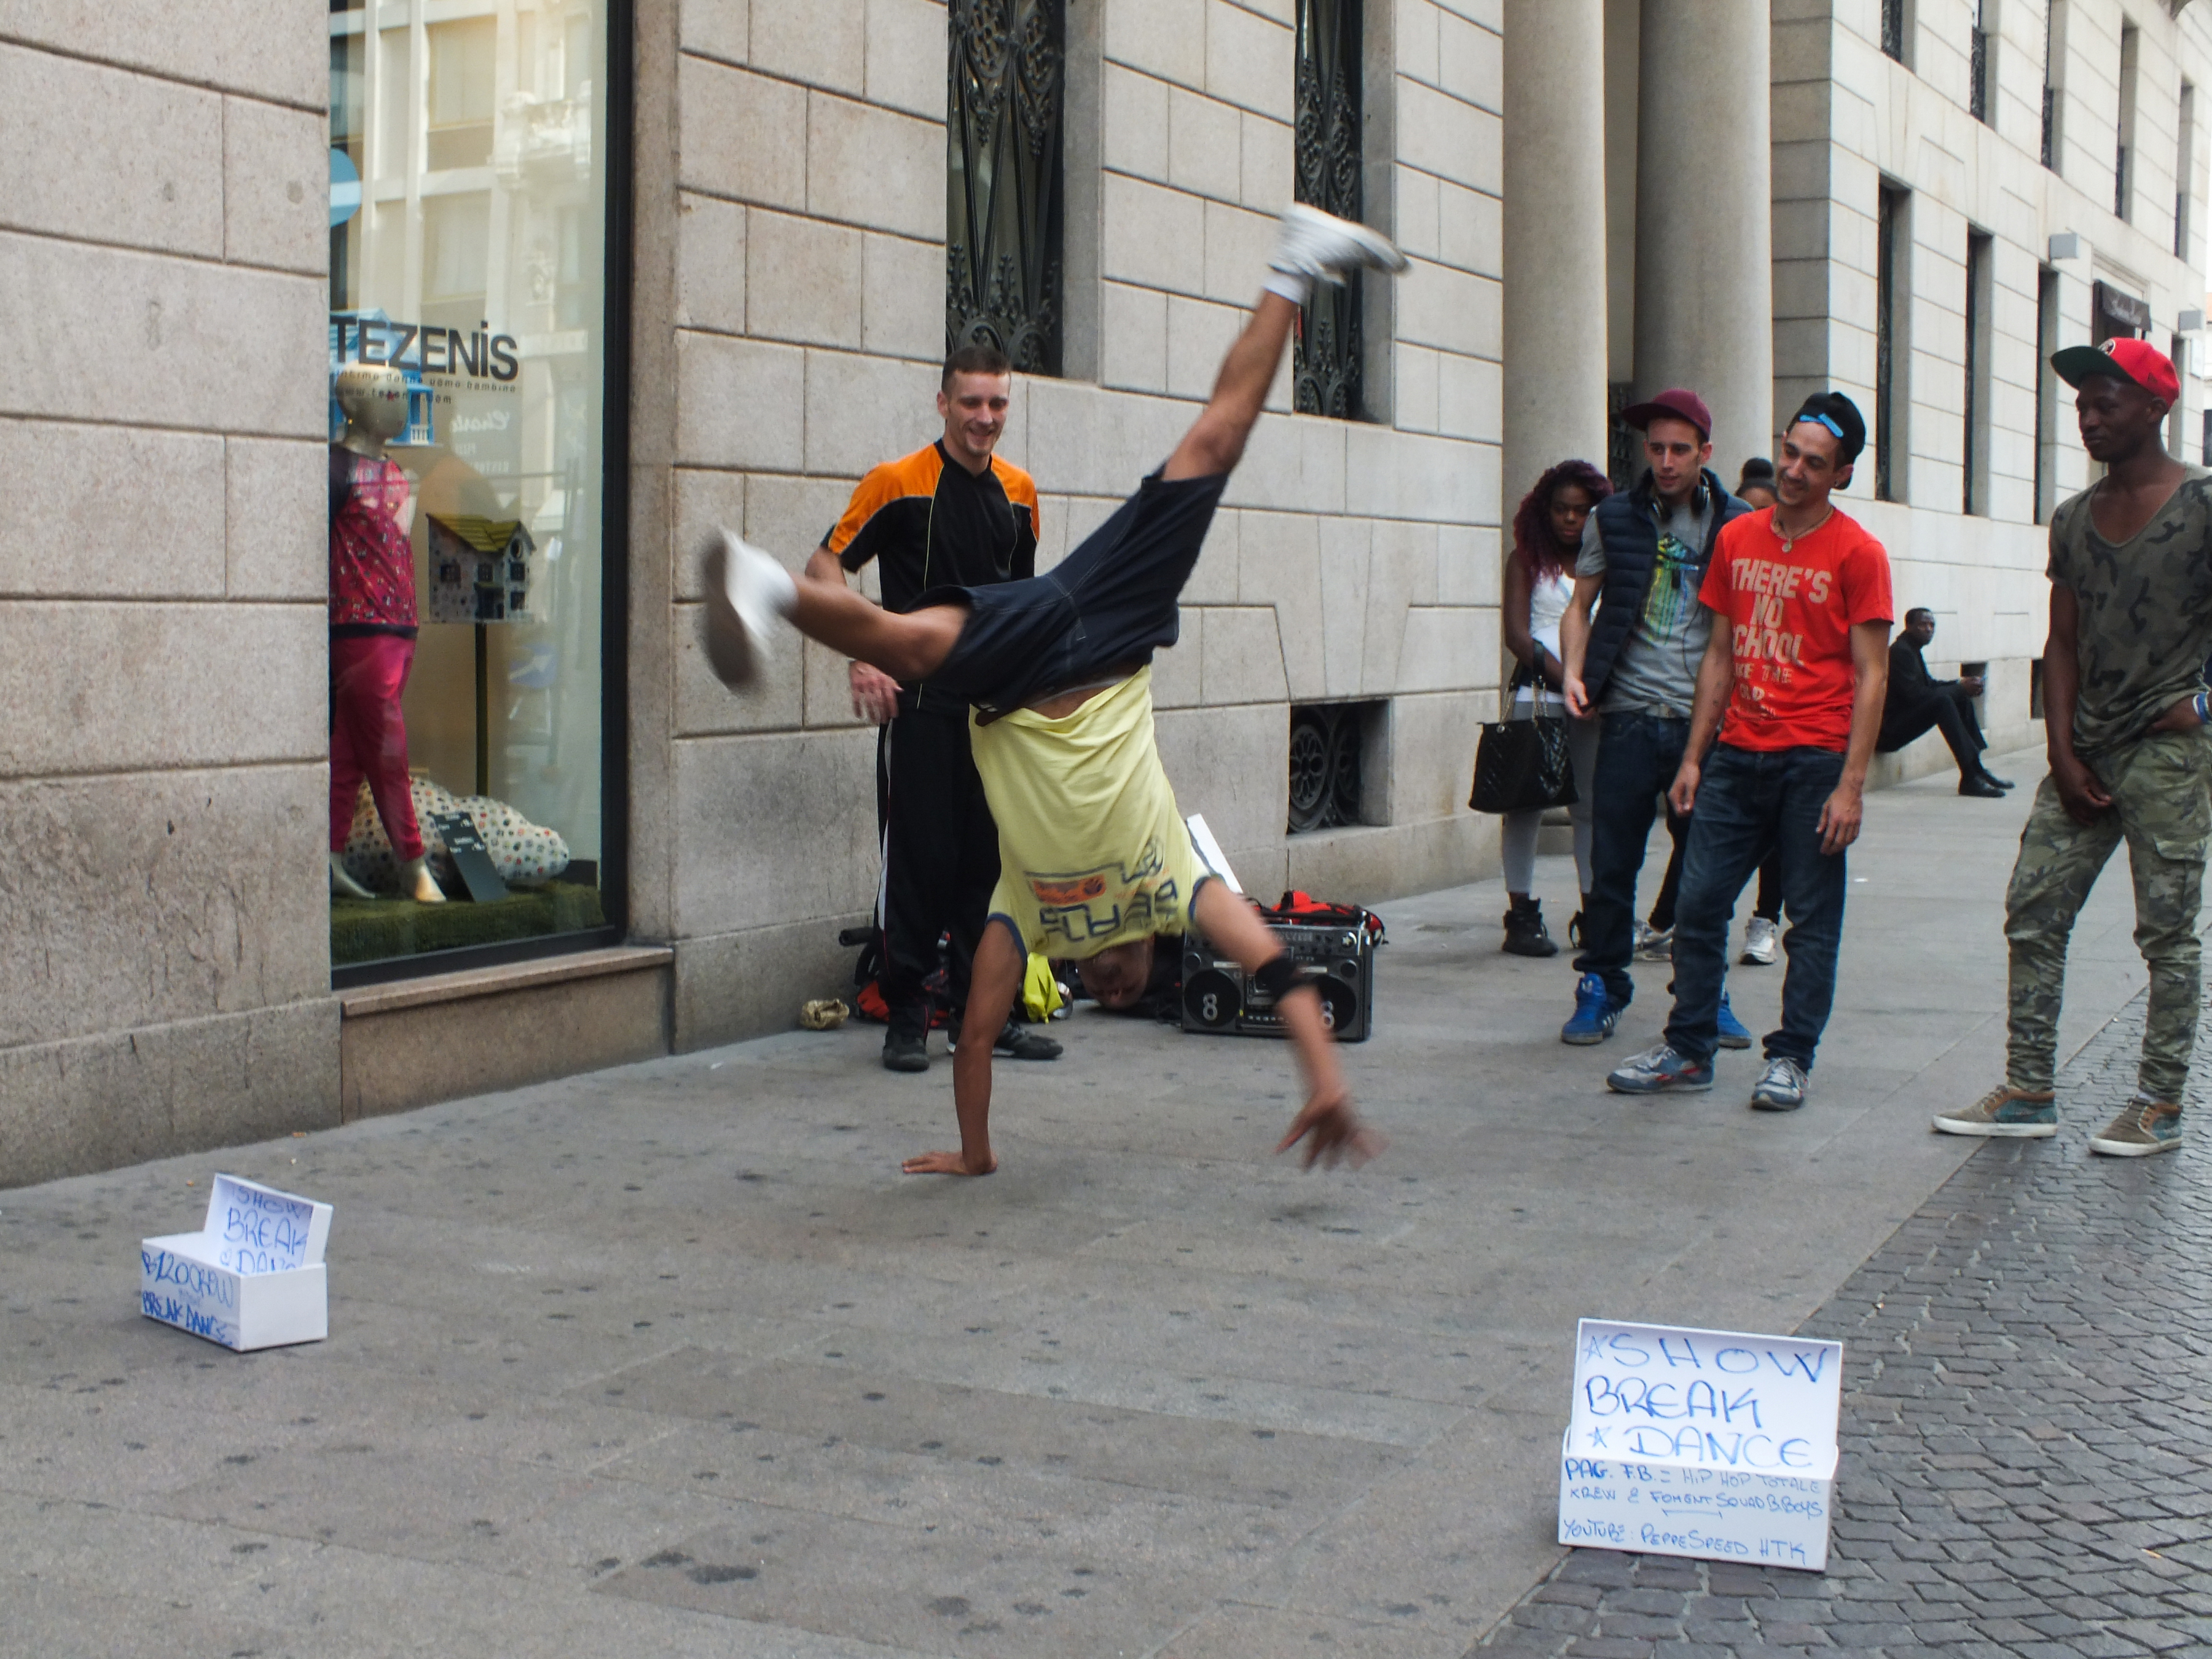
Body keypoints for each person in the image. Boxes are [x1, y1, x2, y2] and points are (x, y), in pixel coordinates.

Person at [703, 203, 1406, 1175]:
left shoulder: (1027, 913)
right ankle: (1293, 266)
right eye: (1127, 992)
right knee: (1211, 447)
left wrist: (976, 1151)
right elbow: (1284, 968)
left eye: (1103, 998)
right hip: (1105, 633)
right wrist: (1325, 1076)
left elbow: (980, 1036)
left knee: (914, 645)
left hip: (1027, 653)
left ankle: (765, 585)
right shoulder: (1175, 883)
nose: (1114, 995)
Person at [1937, 339, 2212, 1157]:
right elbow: (2061, 643)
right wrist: (2059, 748)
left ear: (2156, 409)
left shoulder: (2202, 504)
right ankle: (2029, 1091)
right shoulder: (2073, 520)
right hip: (2084, 751)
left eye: (2107, 403)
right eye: (2083, 405)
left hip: (2168, 755)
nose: (2089, 418)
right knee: (2034, 911)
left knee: (2168, 934)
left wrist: (2202, 704)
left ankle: (2158, 1105)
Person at [1605, 391, 1892, 1110]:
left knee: (1812, 924)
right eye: (1789, 452)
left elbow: (1873, 674)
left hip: (1815, 761)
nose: (1793, 470)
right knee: (1698, 907)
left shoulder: (1859, 553)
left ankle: (1791, 1058)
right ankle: (1690, 1047)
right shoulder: (1738, 538)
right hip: (1736, 754)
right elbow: (1720, 657)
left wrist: (1851, 786)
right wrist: (1696, 757)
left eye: (1813, 463)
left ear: (1843, 474)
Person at [807, 347, 1063, 1073]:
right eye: (973, 403)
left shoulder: (1021, 494)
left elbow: (1022, 606)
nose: (986, 418)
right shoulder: (896, 483)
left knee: (990, 870)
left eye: (999, 404)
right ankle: (907, 1017)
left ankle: (986, 1017)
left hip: (995, 715)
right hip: (919, 706)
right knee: (919, 865)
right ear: (943, 402)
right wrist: (863, 652)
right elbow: (825, 565)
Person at [1557, 389, 1754, 1049]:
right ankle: (1602, 986)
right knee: (1612, 866)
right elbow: (1578, 604)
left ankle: (1705, 994)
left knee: (1706, 873)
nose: (1666, 462)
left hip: (1705, 725)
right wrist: (1574, 673)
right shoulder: (1613, 517)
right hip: (1632, 716)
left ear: (1706, 453)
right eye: (1656, 449)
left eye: (1679, 449)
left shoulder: (1736, 523)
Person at [1497, 460, 1610, 956]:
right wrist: (1567, 680)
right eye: (1561, 509)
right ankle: (1521, 916)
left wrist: (1590, 686)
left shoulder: (1607, 560)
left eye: (1581, 511)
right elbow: (1518, 637)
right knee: (1524, 806)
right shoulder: (1524, 560)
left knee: (1589, 807)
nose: (1570, 519)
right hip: (1538, 696)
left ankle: (1593, 915)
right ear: (1545, 511)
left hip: (1593, 701)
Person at [1878, 607, 2012, 797]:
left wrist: (1960, 685)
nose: (1929, 629)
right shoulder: (1901, 652)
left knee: (1959, 697)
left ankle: (1976, 769)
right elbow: (1915, 696)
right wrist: (1958, 689)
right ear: (1909, 627)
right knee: (1943, 702)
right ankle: (1969, 778)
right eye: (1923, 625)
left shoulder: (1912, 649)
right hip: (1890, 731)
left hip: (1904, 720)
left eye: (1932, 625)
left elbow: (1930, 685)